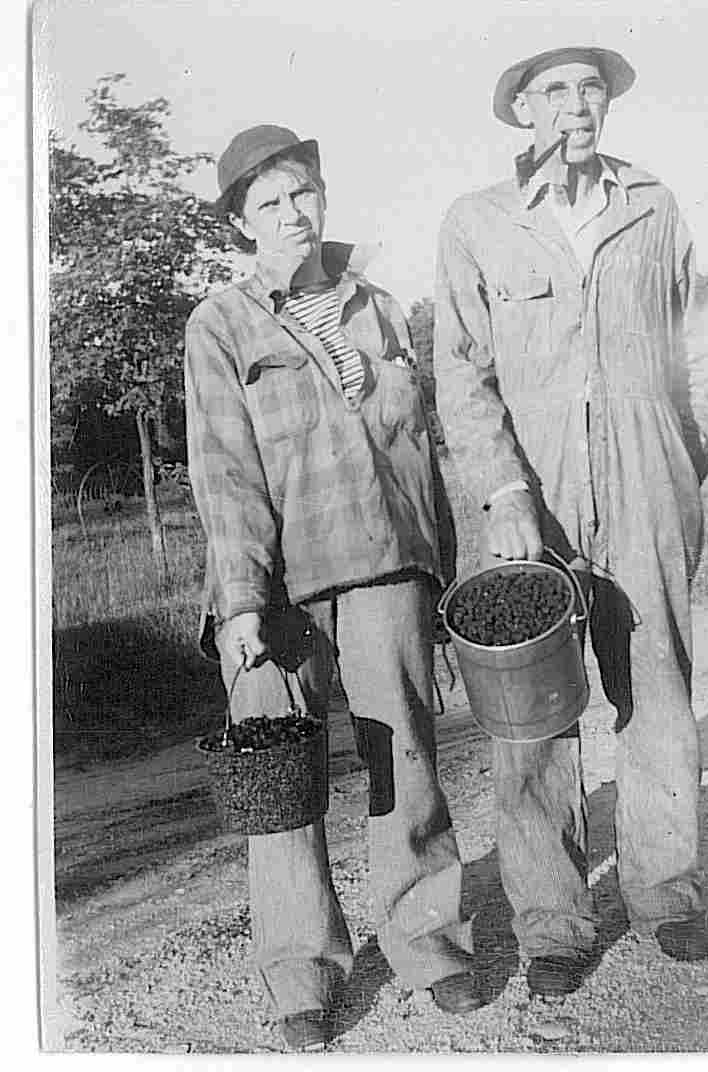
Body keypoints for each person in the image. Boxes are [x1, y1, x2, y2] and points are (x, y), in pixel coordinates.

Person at [184, 125, 485, 1052]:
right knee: (279, 776)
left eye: (302, 194)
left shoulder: (380, 309)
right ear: (242, 222)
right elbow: (224, 473)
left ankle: (429, 941)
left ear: (323, 198)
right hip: (273, 587)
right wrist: (240, 603)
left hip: (387, 559)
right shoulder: (222, 325)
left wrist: (439, 569)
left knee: (406, 756)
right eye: (267, 202)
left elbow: (417, 450)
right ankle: (302, 972)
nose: (291, 214)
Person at [433, 46, 708, 999]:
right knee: (534, 717)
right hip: (533, 507)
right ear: (520, 109)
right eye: (552, 90)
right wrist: (506, 494)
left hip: (646, 486)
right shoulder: (478, 224)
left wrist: (687, 452)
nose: (575, 105)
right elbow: (462, 381)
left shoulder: (653, 205)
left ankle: (666, 893)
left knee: (658, 691)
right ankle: (555, 926)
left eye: (589, 87)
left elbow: (701, 344)